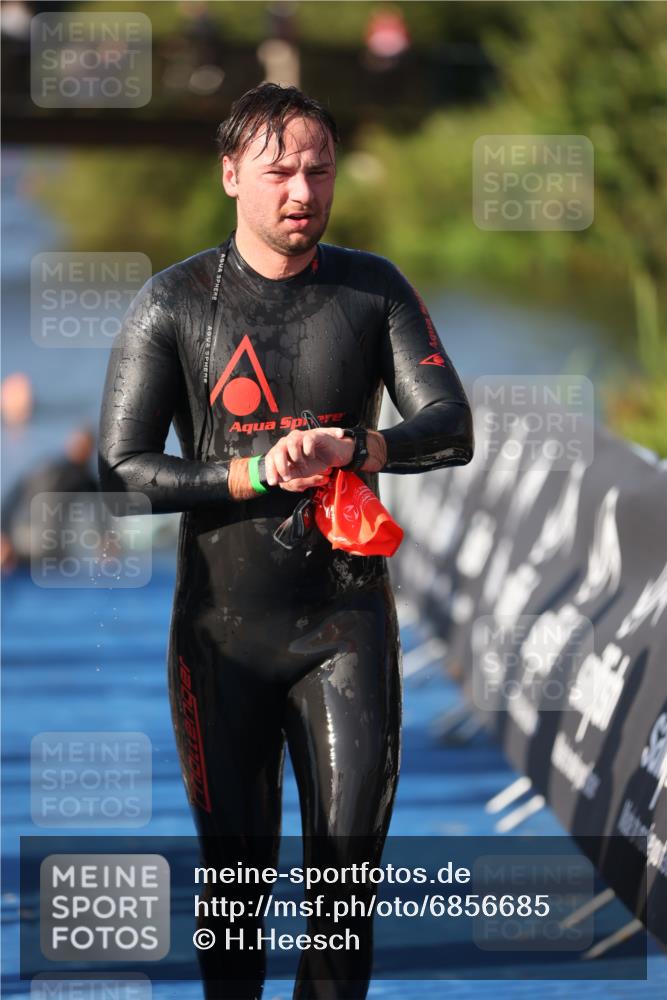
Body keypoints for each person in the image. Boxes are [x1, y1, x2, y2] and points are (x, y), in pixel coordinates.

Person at [98, 83, 473, 1000]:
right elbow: (121, 470)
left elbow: (453, 424)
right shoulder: (173, 302)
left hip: (345, 627)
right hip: (221, 639)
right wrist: (250, 475)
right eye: (278, 173)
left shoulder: (370, 288)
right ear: (231, 176)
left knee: (343, 905)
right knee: (234, 927)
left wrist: (362, 446)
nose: (302, 190)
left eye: (318, 170)